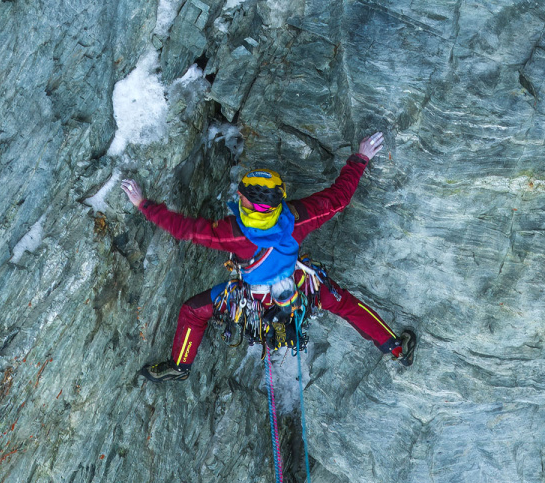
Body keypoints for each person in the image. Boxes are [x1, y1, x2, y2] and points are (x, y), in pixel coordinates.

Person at [121, 132, 416, 382]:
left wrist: (143, 204)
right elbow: (339, 199)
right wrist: (361, 157)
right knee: (346, 305)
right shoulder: (297, 218)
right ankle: (396, 349)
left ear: (242, 200)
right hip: (300, 284)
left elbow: (184, 230)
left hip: (251, 300)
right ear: (281, 198)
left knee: (192, 311)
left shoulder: (232, 233)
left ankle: (179, 366)